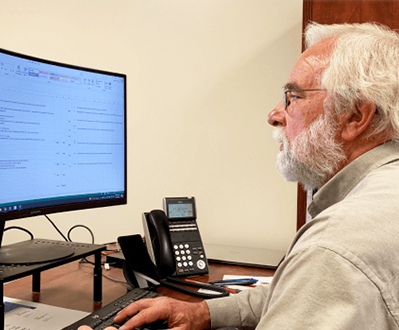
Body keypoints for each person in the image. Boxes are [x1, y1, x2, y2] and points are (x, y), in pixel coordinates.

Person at [80, 21, 399, 329]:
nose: (274, 115)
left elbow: (320, 277)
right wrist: (202, 313)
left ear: (355, 115)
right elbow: (292, 295)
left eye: (293, 97)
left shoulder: (334, 249)